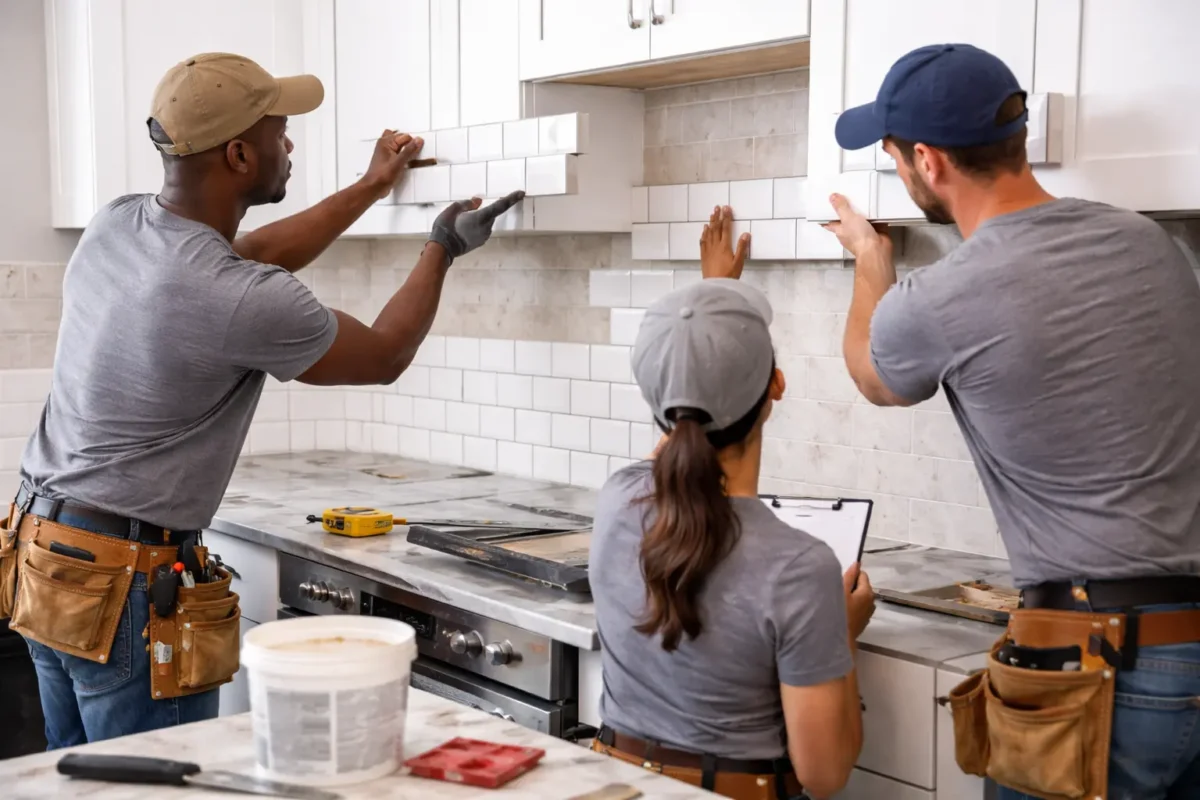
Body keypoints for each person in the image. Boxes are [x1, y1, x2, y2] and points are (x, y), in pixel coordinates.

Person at [1, 52, 522, 748]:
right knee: (163, 790)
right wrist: (442, 247)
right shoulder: (235, 297)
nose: (292, 142)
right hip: (126, 586)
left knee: (76, 779)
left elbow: (253, 251)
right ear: (240, 153)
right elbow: (386, 354)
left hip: (43, 554)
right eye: (281, 129)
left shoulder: (119, 224)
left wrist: (370, 187)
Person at [823, 43, 1200, 798]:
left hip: (1095, 665)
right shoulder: (1152, 246)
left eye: (894, 154)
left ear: (927, 162)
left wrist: (872, 263)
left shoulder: (941, 297)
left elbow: (872, 375)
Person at [588, 209, 876, 800]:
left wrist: (708, 304)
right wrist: (842, 634)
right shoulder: (799, 567)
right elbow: (824, 775)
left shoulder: (617, 502)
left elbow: (680, 424)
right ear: (777, 385)